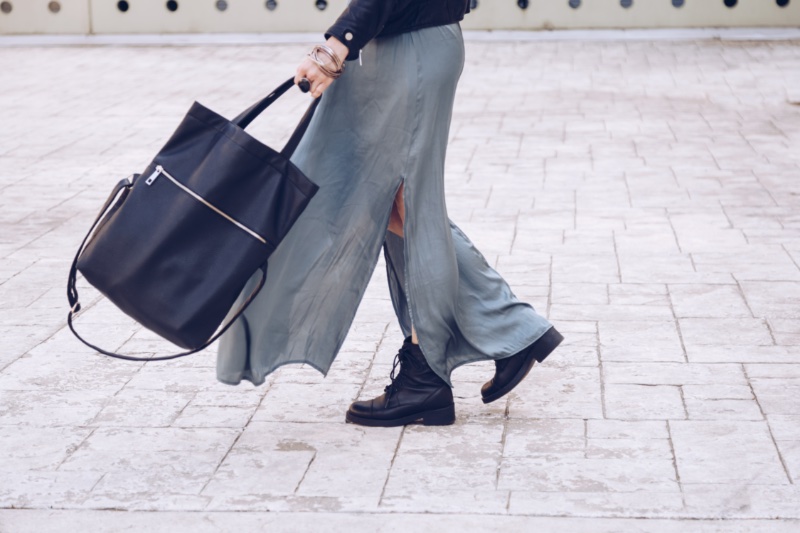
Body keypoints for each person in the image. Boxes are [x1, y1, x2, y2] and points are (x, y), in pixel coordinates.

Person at [216, 0, 563, 427]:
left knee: (406, 203)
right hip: (401, 43)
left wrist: (336, 45)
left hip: (407, 49)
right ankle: (511, 332)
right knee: (394, 205)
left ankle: (432, 372)